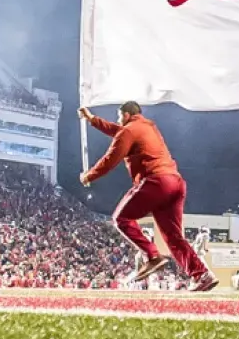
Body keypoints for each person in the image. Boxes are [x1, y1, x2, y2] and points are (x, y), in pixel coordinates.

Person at [79, 102, 217, 291]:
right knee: (174, 237)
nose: (119, 120)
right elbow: (118, 131)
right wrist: (92, 120)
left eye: (119, 116)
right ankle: (201, 275)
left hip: (155, 181)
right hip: (175, 182)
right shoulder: (147, 126)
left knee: (121, 218)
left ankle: (152, 255)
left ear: (126, 114)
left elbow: (111, 159)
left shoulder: (128, 131)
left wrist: (89, 175)